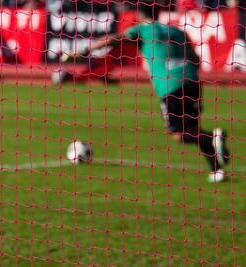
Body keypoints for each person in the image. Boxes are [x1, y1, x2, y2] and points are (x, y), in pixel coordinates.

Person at [63, 2, 230, 182]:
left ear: (139, 14)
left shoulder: (142, 29)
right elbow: (196, 59)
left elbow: (113, 39)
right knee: (193, 129)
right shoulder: (177, 32)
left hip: (170, 84)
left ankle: (214, 136)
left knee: (178, 135)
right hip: (192, 81)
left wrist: (84, 51)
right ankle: (217, 170)